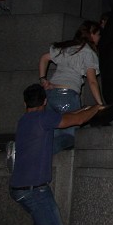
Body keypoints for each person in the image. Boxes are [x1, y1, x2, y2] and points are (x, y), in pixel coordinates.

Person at [9, 83, 106, 225]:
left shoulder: (24, 120)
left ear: (25, 104)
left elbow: (63, 116)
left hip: (19, 188)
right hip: (34, 191)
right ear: (45, 101)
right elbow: (77, 121)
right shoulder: (43, 119)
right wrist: (95, 109)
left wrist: (81, 109)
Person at [39, 21, 104, 153]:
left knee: (54, 132)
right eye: (98, 35)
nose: (99, 38)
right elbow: (92, 81)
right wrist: (99, 104)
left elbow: (44, 58)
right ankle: (38, 151)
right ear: (91, 35)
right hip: (67, 95)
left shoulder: (67, 47)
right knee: (70, 135)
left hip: (50, 94)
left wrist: (43, 79)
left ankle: (30, 150)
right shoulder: (87, 52)